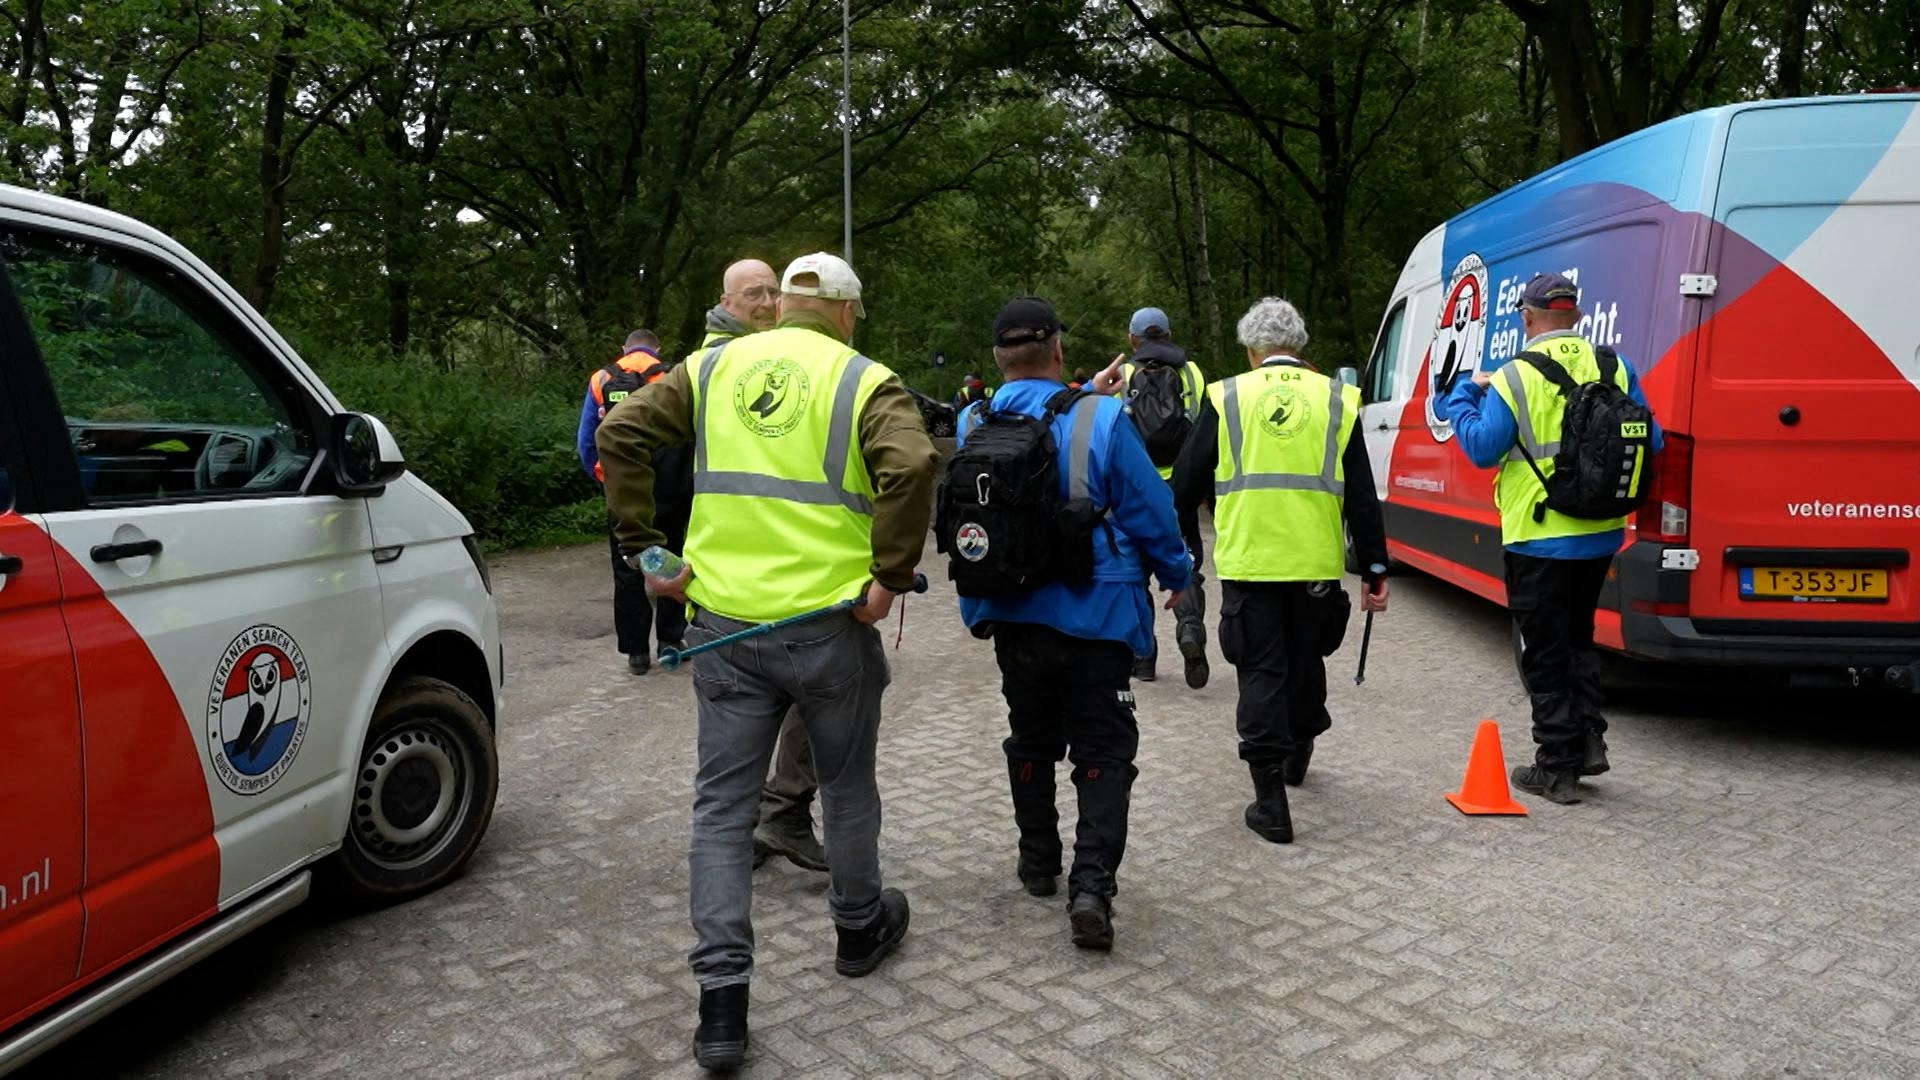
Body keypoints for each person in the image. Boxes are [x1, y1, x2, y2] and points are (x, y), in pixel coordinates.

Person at [597, 252, 939, 1070]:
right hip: (827, 626)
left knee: (721, 811)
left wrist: (647, 550)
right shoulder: (866, 380)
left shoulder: (711, 368)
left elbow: (619, 433)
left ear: (780, 307)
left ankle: (721, 1008)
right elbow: (916, 467)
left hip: (724, 628)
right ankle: (858, 932)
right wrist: (888, 578)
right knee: (848, 785)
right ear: (849, 313)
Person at [955, 297, 1191, 951]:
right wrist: (1177, 575)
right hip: (1099, 613)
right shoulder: (1104, 419)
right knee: (1103, 752)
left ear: (1000, 359)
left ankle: (1037, 864)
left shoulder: (977, 418)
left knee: (1029, 739)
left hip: (1010, 613)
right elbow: (1154, 510)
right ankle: (1091, 889)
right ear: (1058, 349)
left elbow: (1037, 420)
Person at [1171, 298, 1389, 844]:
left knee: (1261, 673)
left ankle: (1271, 804)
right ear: (1301, 346)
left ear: (1251, 350)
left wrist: (1181, 554)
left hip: (1252, 563)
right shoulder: (1338, 399)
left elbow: (1183, 485)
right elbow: (1362, 496)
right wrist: (1376, 568)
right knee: (1305, 661)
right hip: (1315, 564)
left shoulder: (1227, 396)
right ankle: (1298, 756)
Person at [1439, 273, 1663, 805]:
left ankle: (1555, 764)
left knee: (1542, 651)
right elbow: (1650, 438)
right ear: (1577, 316)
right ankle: (1588, 743)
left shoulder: (1515, 375)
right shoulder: (1615, 365)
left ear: (1527, 318)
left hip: (1538, 536)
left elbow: (1482, 447)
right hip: (1601, 533)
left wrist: (1464, 399)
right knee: (1578, 639)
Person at [694, 258, 829, 872]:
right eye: (754, 292)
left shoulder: (756, 356)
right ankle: (772, 819)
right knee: (796, 692)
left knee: (758, 705)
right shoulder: (725, 363)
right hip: (750, 569)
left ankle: (759, 823)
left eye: (774, 291)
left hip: (756, 566)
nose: (768, 300)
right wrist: (640, 546)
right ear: (723, 300)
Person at [1090, 308, 1209, 687]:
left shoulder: (1121, 375)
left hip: (1132, 490)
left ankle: (1143, 658)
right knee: (1186, 561)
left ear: (1132, 340)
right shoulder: (1193, 373)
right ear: (1169, 334)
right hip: (1180, 488)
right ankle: (1190, 629)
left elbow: (1105, 431)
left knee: (1135, 574)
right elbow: (1203, 434)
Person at [577, 329, 689, 674]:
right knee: (672, 560)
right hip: (670, 489)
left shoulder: (602, 379)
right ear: (658, 348)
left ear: (625, 348)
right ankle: (670, 641)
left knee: (628, 568)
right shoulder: (674, 376)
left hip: (623, 493)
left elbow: (586, 442)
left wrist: (606, 481)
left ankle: (636, 652)